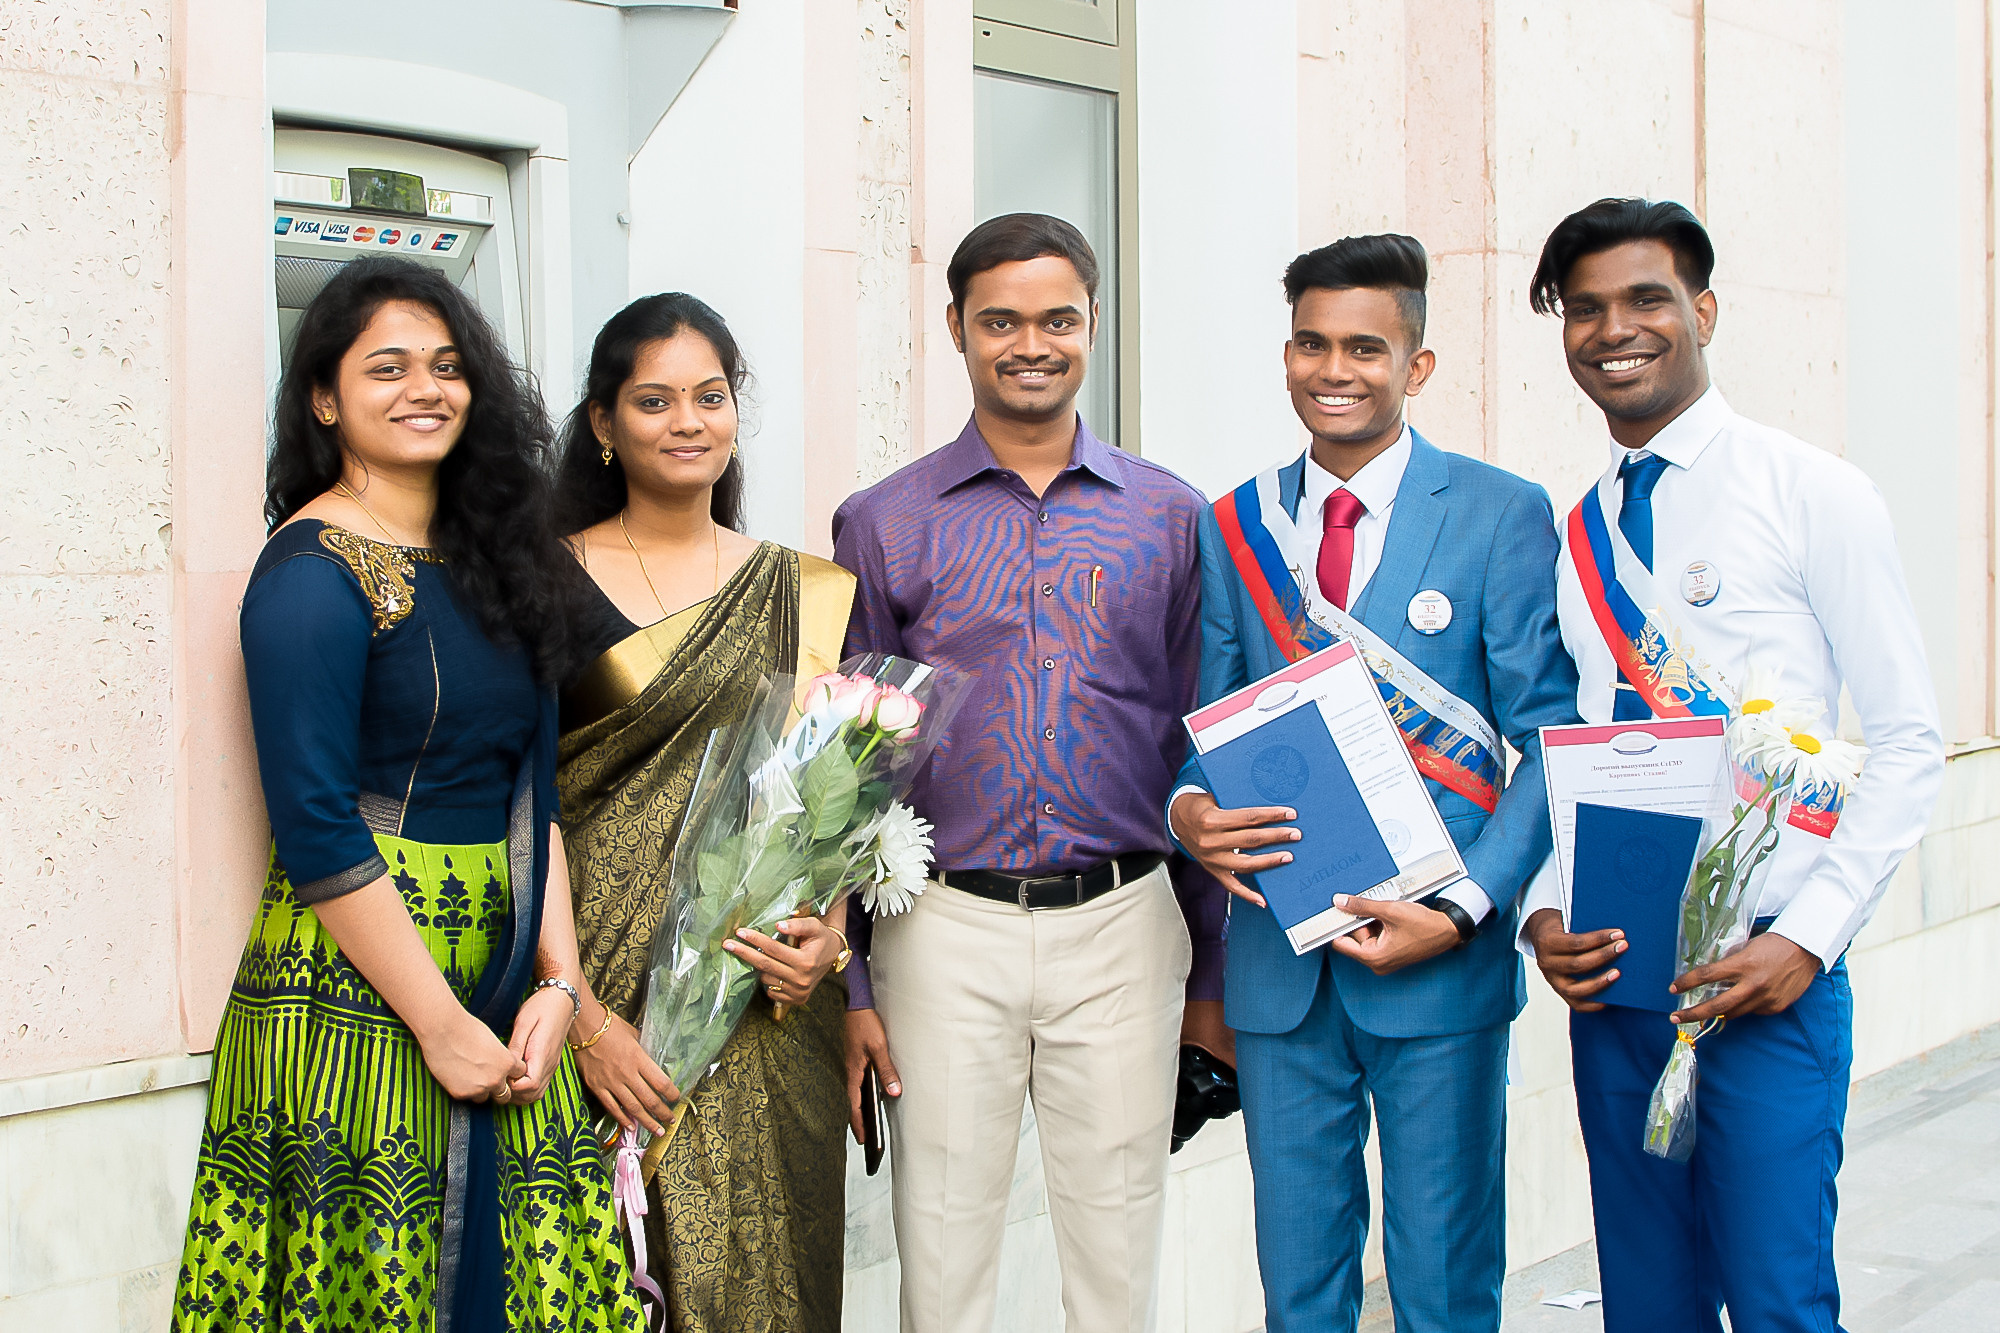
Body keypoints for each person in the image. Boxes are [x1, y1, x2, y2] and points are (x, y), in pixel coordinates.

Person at [173, 256, 643, 1332]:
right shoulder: (309, 571)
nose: (423, 388)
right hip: (364, 988)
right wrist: (436, 1022)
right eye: (386, 368)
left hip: (509, 975)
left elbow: (538, 790)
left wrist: (561, 989)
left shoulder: (496, 558)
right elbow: (315, 822)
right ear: (325, 400)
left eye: (445, 365)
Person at [1518, 198, 1946, 1333]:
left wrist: (1806, 938)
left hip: (1766, 981)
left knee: (1775, 1304)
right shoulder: (1577, 533)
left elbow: (1909, 741)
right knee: (1645, 1306)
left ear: (1700, 310)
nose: (1615, 328)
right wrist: (1547, 904)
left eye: (1646, 298)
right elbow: (1577, 746)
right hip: (1615, 981)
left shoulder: (1811, 491)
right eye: (1585, 308)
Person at [1166, 234, 1578, 1333]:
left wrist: (1461, 908)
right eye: (1310, 343)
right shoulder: (1234, 523)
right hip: (1278, 960)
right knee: (1297, 1287)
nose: (1331, 369)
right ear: (1285, 351)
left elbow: (1544, 738)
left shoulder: (1498, 513)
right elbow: (1201, 722)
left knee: (1443, 1283)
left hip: (1439, 957)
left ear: (1416, 363)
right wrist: (1188, 810)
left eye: (1362, 346)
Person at [834, 213, 1225, 1333]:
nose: (1029, 344)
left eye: (1057, 319)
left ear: (1092, 324)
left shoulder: (1169, 516)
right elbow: (847, 777)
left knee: (1116, 1257)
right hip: (940, 928)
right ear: (955, 326)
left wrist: (1209, 977)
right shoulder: (882, 522)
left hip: (1125, 922)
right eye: (998, 320)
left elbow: (1196, 744)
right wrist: (852, 988)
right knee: (942, 1258)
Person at [552, 293, 857, 1332]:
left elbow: (826, 800)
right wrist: (583, 1016)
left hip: (762, 997)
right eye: (653, 400)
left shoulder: (801, 590)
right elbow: (511, 807)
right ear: (602, 424)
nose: (687, 421)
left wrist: (834, 939)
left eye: (709, 396)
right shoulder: (538, 583)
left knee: (772, 1278)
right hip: (592, 994)